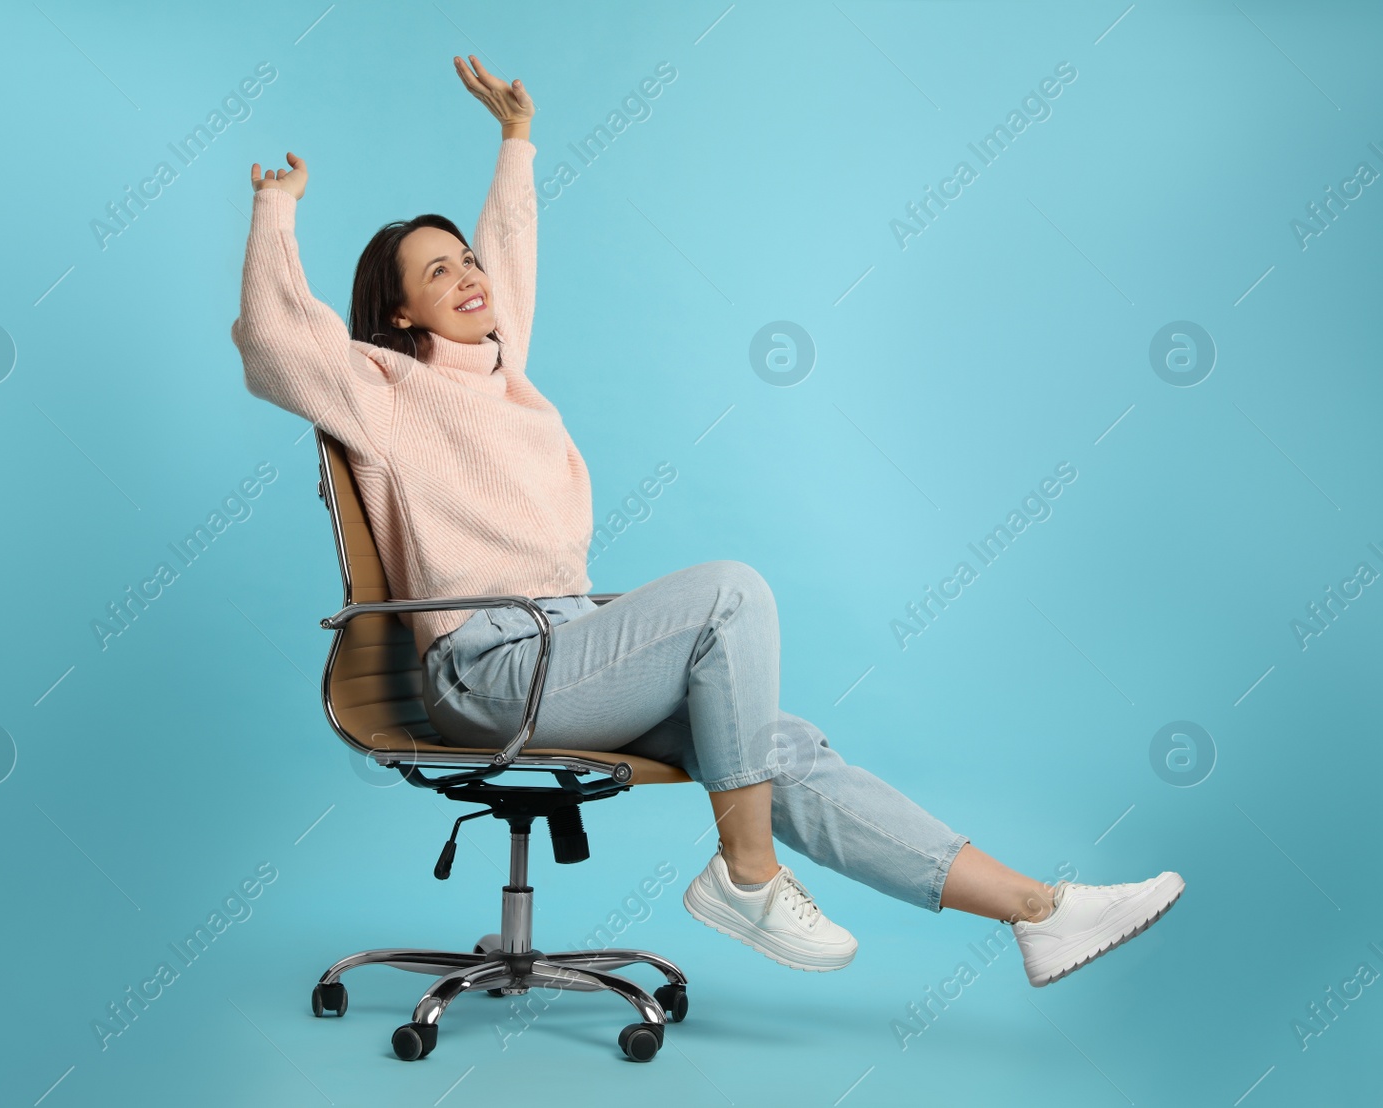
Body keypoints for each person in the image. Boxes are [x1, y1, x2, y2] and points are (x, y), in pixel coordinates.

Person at [231, 55, 1183, 988]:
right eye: (442, 273)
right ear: (400, 313)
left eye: (468, 259)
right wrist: (277, 210)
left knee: (779, 744)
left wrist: (517, 143)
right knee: (731, 592)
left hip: (567, 652)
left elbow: (511, 264)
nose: (473, 277)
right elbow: (275, 344)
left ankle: (1040, 914)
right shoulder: (385, 388)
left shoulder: (502, 373)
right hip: (490, 671)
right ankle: (748, 876)